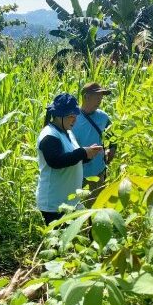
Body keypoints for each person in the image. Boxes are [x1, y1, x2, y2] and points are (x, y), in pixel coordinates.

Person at [36, 93, 103, 225]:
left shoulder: (67, 131)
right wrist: (83, 152)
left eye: (75, 116)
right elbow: (56, 161)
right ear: (59, 116)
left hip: (68, 201)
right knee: (58, 243)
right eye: (71, 116)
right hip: (54, 204)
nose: (74, 120)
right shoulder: (49, 135)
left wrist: (88, 155)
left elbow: (71, 158)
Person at [72, 82, 115, 205]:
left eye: (101, 97)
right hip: (76, 173)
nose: (100, 100)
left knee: (95, 206)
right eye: (97, 97)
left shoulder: (103, 117)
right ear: (86, 97)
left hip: (97, 171)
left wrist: (112, 149)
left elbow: (113, 136)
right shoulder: (72, 117)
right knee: (75, 207)